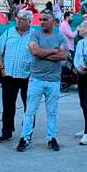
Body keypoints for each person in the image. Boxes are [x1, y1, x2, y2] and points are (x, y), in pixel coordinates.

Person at [17, 12, 67, 152]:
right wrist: (52, 51)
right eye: (40, 20)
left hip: (54, 81)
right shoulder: (35, 35)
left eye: (45, 19)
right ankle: (24, 138)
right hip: (36, 79)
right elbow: (34, 52)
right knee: (30, 111)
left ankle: (51, 138)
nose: (42, 22)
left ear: (53, 22)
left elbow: (63, 55)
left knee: (52, 112)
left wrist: (42, 53)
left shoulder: (60, 37)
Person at [0, 10, 34, 143]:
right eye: (17, 18)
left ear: (29, 22)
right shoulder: (8, 32)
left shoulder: (34, 35)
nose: (18, 20)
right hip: (9, 75)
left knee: (29, 106)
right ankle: (7, 131)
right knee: (8, 105)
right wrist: (2, 69)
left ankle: (27, 131)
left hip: (27, 76)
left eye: (22, 19)